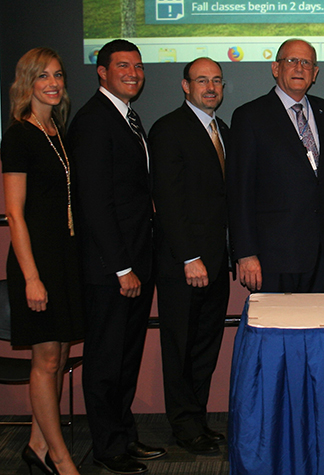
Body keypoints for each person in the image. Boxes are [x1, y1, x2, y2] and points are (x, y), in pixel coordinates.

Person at [67, 39, 164, 475]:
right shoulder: (92, 121)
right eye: (123, 66)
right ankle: (107, 448)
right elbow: (94, 204)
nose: (134, 73)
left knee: (126, 356)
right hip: (112, 269)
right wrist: (122, 267)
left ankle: (124, 435)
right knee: (106, 359)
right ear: (101, 72)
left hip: (136, 261)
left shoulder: (127, 117)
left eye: (138, 66)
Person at [2, 48, 83, 475]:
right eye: (43, 76)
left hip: (65, 259)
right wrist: (32, 278)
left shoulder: (55, 130)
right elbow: (15, 213)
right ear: (27, 83)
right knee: (46, 360)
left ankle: (36, 446)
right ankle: (62, 458)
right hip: (38, 265)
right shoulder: (18, 135)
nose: (53, 83)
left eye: (58, 75)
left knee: (60, 355)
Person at [149, 58, 230, 455]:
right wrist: (189, 258)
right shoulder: (168, 129)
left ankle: (197, 418)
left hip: (216, 263)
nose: (210, 87)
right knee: (181, 347)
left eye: (216, 80)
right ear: (185, 86)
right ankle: (183, 425)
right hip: (186, 264)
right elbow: (168, 201)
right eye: (202, 80)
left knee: (204, 347)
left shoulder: (222, 130)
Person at [227, 38, 324, 293]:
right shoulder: (250, 116)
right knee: (277, 332)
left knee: (317, 329)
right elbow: (240, 192)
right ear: (275, 68)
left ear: (315, 73)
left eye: (307, 63)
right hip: (273, 258)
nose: (299, 68)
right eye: (291, 61)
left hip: (321, 257)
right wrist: (245, 253)